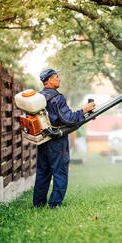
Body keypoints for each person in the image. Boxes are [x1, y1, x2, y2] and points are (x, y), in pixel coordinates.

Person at [33, 69, 96, 208]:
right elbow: (68, 119)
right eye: (57, 77)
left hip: (43, 139)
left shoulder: (39, 97)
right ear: (49, 80)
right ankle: (55, 204)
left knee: (43, 171)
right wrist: (84, 110)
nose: (59, 79)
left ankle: (38, 204)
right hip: (56, 141)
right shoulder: (57, 97)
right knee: (60, 171)